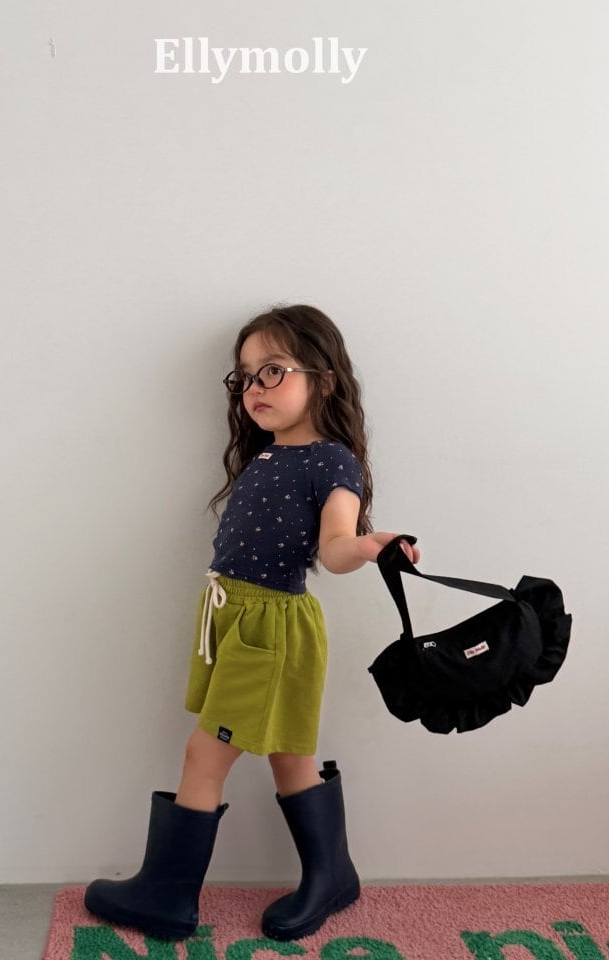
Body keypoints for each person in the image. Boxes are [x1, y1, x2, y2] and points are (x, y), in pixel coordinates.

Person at [83, 304, 420, 942]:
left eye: (273, 371)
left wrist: (369, 545)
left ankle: (165, 896)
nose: (254, 388)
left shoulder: (331, 461)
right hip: (235, 618)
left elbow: (334, 547)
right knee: (290, 754)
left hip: (269, 628)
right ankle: (333, 875)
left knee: (204, 753)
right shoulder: (268, 456)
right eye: (244, 376)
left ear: (324, 380)